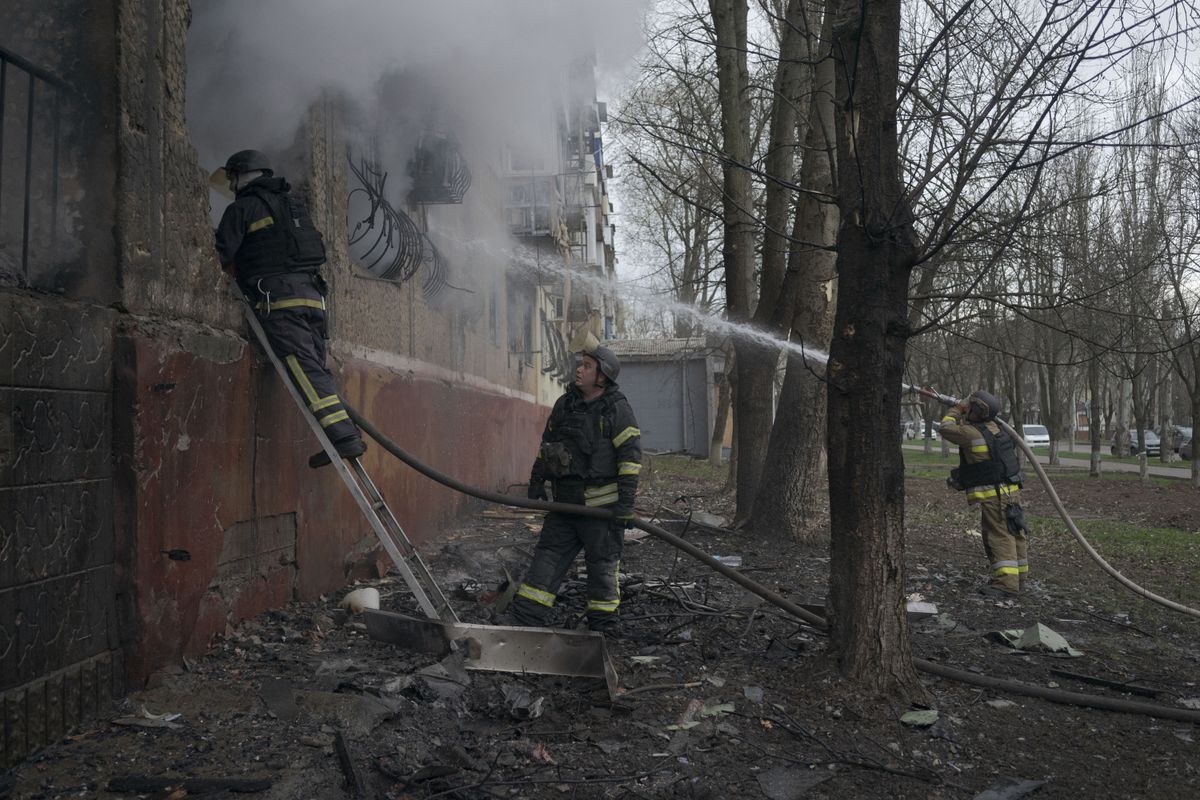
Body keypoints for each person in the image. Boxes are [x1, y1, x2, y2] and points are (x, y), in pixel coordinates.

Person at [214, 149, 366, 468]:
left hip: (281, 301)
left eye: (232, 178)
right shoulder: (294, 207)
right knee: (316, 369)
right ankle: (344, 432)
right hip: (313, 298)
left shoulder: (242, 209)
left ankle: (343, 438)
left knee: (303, 368)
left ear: (243, 176)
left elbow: (222, 253)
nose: (230, 185)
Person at [507, 346, 642, 635]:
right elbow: (548, 446)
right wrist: (536, 480)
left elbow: (630, 460)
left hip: (601, 513)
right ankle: (523, 624)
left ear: (602, 377)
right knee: (545, 564)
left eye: (588, 366)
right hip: (564, 509)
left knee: (603, 571)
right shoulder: (564, 404)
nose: (579, 369)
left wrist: (625, 505)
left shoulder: (617, 408)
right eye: (580, 364)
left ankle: (602, 631)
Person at [938, 390, 1031, 598]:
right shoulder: (998, 429)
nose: (966, 409)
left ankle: (1006, 584)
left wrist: (957, 408)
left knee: (998, 536)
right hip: (1011, 492)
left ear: (976, 410)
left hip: (994, 496)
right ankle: (1019, 578)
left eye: (970, 407)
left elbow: (945, 427)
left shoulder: (971, 433)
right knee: (1015, 532)